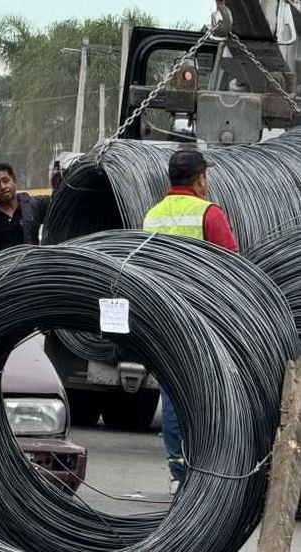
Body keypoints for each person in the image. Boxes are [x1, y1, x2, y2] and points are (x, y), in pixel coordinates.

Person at [142, 148, 238, 496]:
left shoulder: (152, 217)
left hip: (165, 319)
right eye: (206, 176)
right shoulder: (209, 214)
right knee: (210, 395)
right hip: (203, 318)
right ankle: (209, 468)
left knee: (172, 396)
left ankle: (178, 471)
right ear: (200, 179)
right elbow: (232, 267)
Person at [0, 163, 51, 258]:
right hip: (0, 271)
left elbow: (59, 203)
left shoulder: (33, 205)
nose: (2, 187)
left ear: (15, 182)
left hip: (30, 269)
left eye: (5, 181)